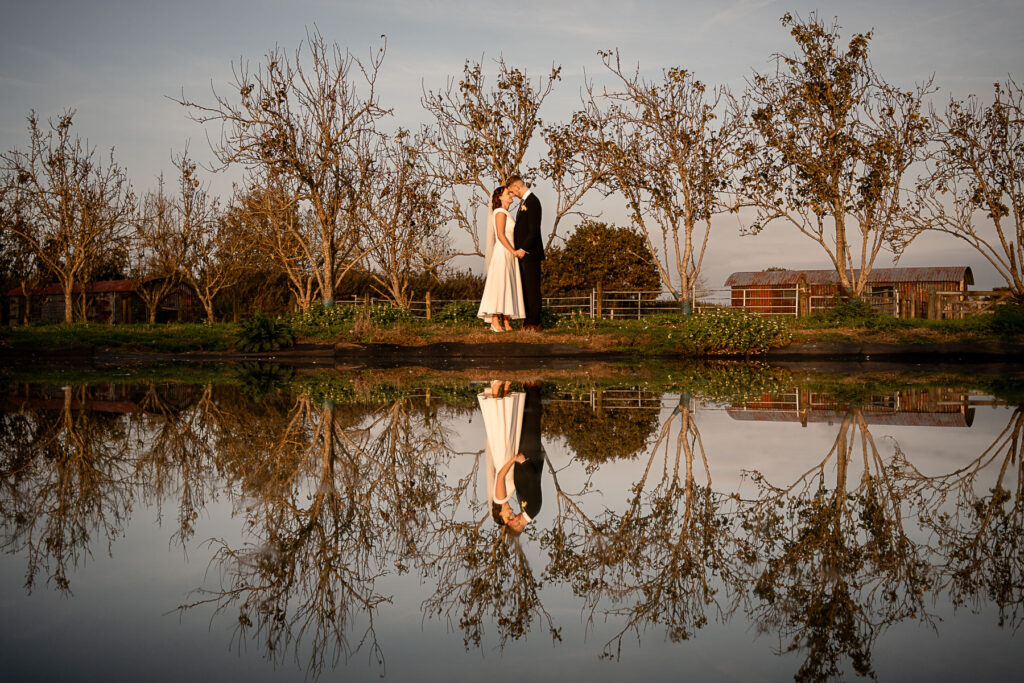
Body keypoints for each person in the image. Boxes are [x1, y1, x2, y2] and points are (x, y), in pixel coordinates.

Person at [490, 381, 543, 535]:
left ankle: (528, 387)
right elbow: (534, 480)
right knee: (532, 421)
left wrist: (516, 461)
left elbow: (503, 477)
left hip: (522, 456)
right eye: (513, 520)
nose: (512, 515)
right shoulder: (533, 509)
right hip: (529, 456)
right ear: (518, 525)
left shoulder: (524, 508)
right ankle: (533, 387)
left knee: (523, 422)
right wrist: (523, 462)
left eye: (509, 518)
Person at [477, 185, 527, 332]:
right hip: (504, 252)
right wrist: (513, 251)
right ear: (500, 197)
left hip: (508, 253)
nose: (511, 195)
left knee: (507, 285)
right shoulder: (499, 212)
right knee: (499, 285)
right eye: (508, 193)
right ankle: (494, 321)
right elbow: (500, 235)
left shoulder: (505, 213)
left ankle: (506, 321)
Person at [506, 176, 544, 331]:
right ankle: (528, 321)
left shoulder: (533, 202)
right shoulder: (525, 203)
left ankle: (535, 322)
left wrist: (523, 249)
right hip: (523, 255)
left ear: (517, 186)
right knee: (526, 289)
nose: (512, 195)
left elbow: (534, 230)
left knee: (533, 288)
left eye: (512, 191)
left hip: (531, 254)